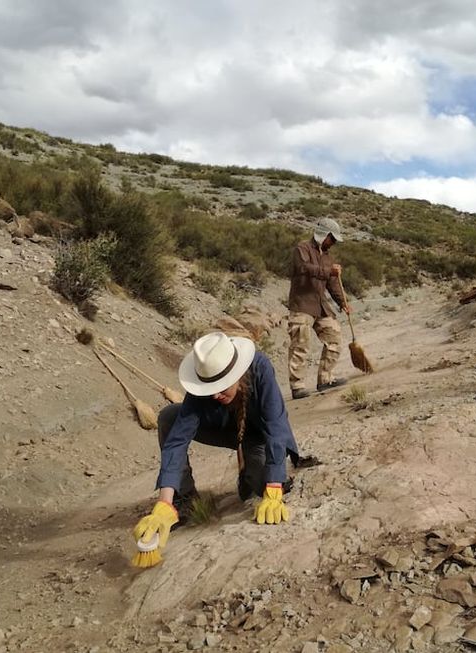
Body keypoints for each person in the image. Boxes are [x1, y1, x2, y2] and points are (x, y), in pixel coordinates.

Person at [132, 331, 299, 567]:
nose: (215, 395)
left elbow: (276, 425)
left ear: (238, 373)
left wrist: (274, 484)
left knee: (256, 488)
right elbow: (177, 442)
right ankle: (186, 499)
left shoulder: (260, 368)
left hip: (256, 435)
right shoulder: (204, 385)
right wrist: (164, 504)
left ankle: (248, 470)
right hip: (222, 429)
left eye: (221, 387)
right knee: (169, 416)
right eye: (209, 389)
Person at [287, 217, 351, 399]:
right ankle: (297, 386)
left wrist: (343, 303)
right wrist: (328, 271)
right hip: (302, 305)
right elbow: (304, 268)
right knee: (300, 345)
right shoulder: (302, 249)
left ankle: (325, 378)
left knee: (334, 336)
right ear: (325, 235)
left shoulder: (329, 258)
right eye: (333, 239)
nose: (334, 243)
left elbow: (333, 284)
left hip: (321, 306)